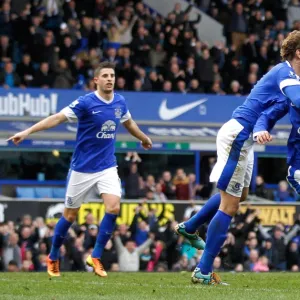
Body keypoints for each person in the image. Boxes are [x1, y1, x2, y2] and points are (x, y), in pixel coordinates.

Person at [175, 30, 300, 285]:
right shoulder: (285, 73)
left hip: (246, 136)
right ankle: (203, 271)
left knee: (238, 197)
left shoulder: (291, 78)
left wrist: (263, 127)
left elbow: (272, 111)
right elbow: (297, 99)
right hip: (239, 135)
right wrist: (258, 128)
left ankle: (190, 226)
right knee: (229, 206)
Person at [7, 61, 152, 278]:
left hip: (107, 166)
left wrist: (143, 138)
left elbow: (128, 123)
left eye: (112, 75)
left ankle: (95, 256)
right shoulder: (85, 102)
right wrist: (27, 132)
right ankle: (54, 256)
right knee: (70, 216)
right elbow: (56, 118)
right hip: (82, 169)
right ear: (96, 80)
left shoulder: (120, 101)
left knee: (113, 208)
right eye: (105, 76)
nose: (110, 79)